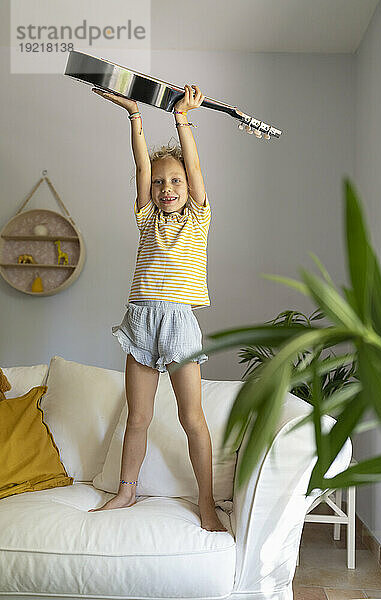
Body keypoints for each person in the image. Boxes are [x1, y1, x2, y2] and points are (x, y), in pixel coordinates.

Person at [88, 83, 227, 532]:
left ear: (189, 187)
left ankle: (206, 501)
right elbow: (141, 161)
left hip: (180, 325)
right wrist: (134, 115)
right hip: (141, 322)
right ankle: (126, 490)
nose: (166, 187)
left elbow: (195, 166)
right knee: (140, 417)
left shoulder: (199, 218)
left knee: (192, 417)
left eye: (176, 181)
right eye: (158, 182)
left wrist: (181, 118)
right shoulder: (147, 217)